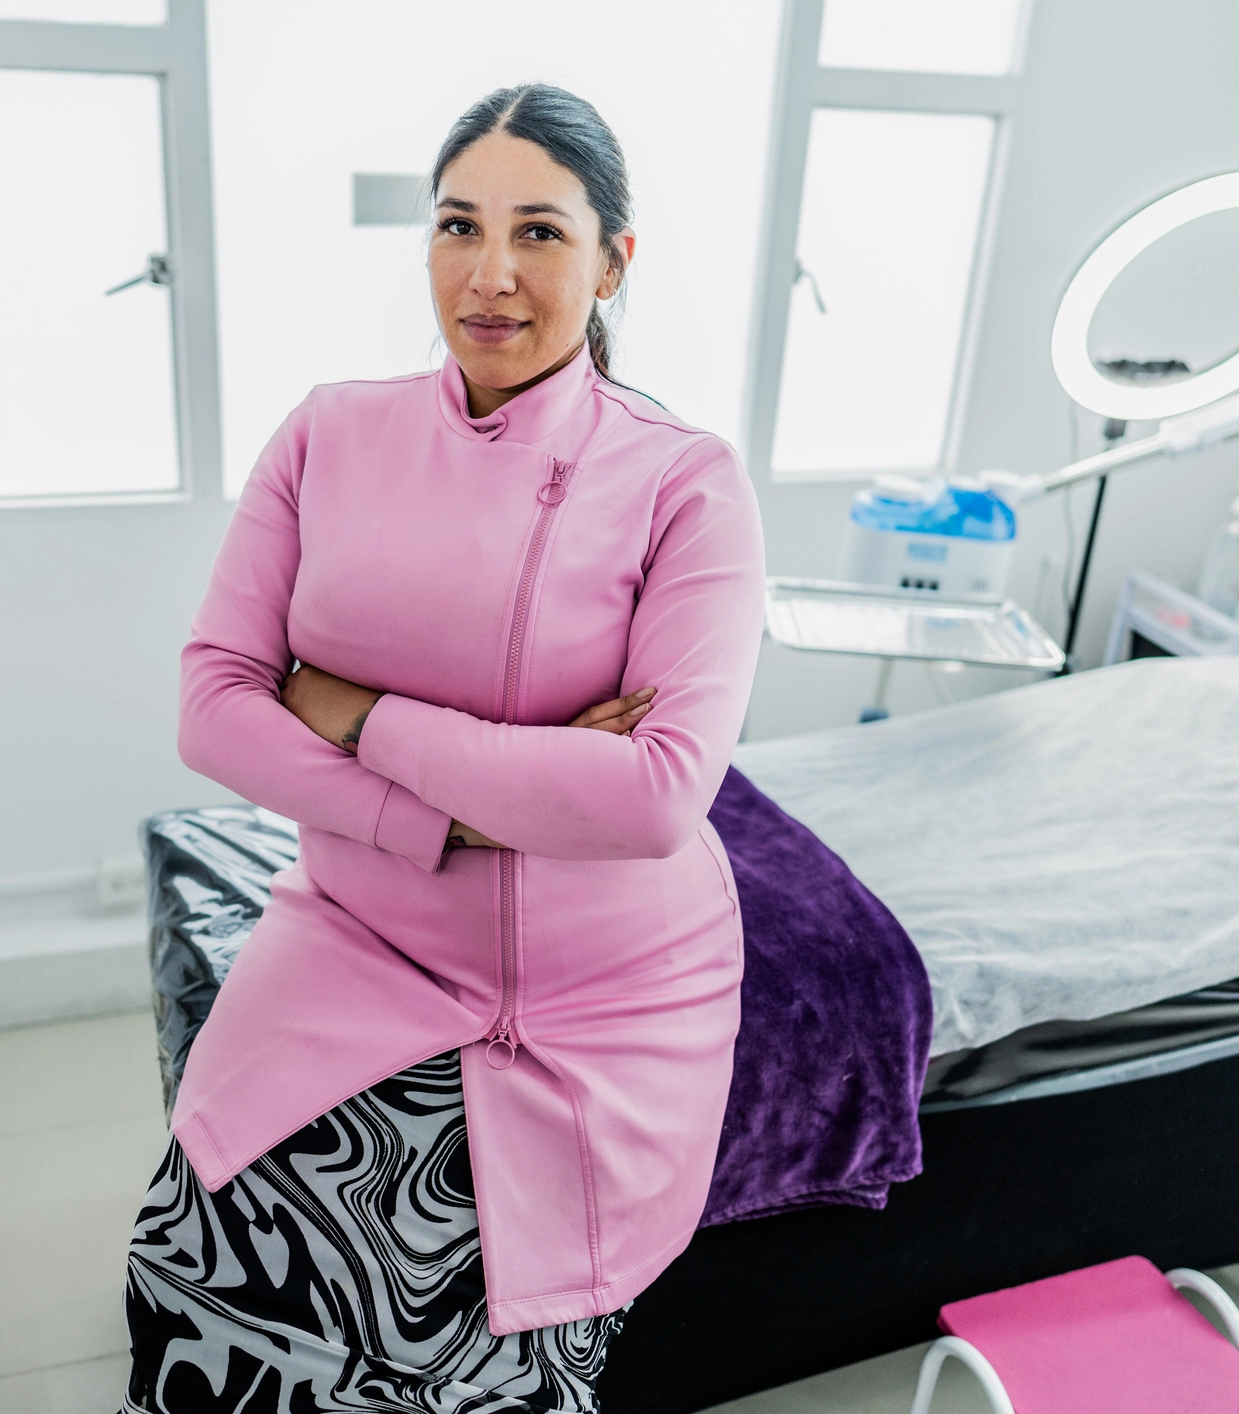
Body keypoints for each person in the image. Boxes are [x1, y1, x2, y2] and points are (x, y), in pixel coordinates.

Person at [125, 82, 765, 1414]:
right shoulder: (329, 433)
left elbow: (652, 798)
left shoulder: (685, 479)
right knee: (191, 1256)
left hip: (602, 987)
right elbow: (215, 704)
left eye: (540, 232)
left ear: (613, 260)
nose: (489, 274)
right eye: (457, 225)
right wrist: (456, 813)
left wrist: (363, 716)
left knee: (478, 1346)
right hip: (358, 928)